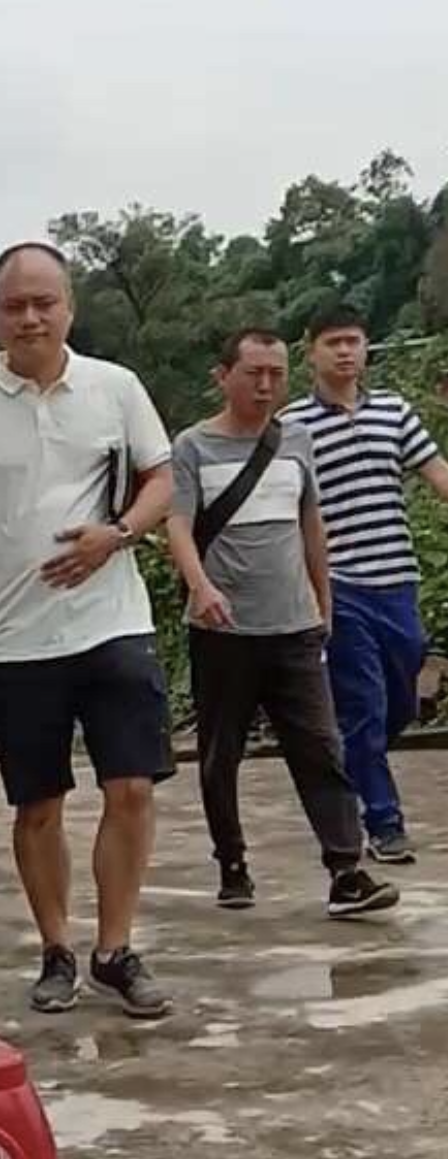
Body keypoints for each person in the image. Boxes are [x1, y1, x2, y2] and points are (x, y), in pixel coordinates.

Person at [0, 242, 176, 1020]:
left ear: (69, 307)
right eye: (14, 306)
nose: (30, 317)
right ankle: (57, 949)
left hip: (112, 621)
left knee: (132, 787)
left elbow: (162, 479)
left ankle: (115, 950)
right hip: (12, 638)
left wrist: (117, 534)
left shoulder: (115, 388)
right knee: (38, 805)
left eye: (44, 302)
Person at [167, 329, 398, 919]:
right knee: (221, 753)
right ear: (223, 377)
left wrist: (324, 601)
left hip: (295, 626)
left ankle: (346, 871)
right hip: (223, 631)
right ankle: (232, 862)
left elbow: (311, 523)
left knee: (321, 748)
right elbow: (177, 524)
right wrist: (200, 585)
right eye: (254, 374)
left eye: (276, 374)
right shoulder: (192, 446)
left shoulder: (295, 440)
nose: (266, 385)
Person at [284, 305, 448, 864]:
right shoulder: (292, 426)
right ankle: (384, 823)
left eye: (353, 341)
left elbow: (437, 472)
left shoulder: (394, 412)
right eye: (333, 342)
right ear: (311, 352)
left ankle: (355, 760)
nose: (345, 352)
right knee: (364, 706)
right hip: (339, 585)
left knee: (400, 697)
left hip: (397, 579)